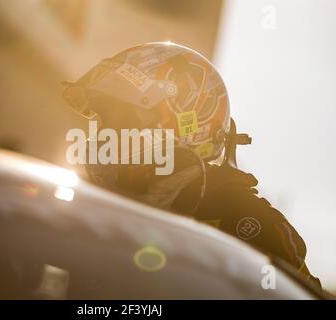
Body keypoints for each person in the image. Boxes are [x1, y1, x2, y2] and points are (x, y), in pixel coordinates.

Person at [63, 42, 321, 287]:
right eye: (104, 121)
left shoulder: (244, 221)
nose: (107, 134)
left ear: (183, 123)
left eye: (123, 120)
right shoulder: (90, 202)